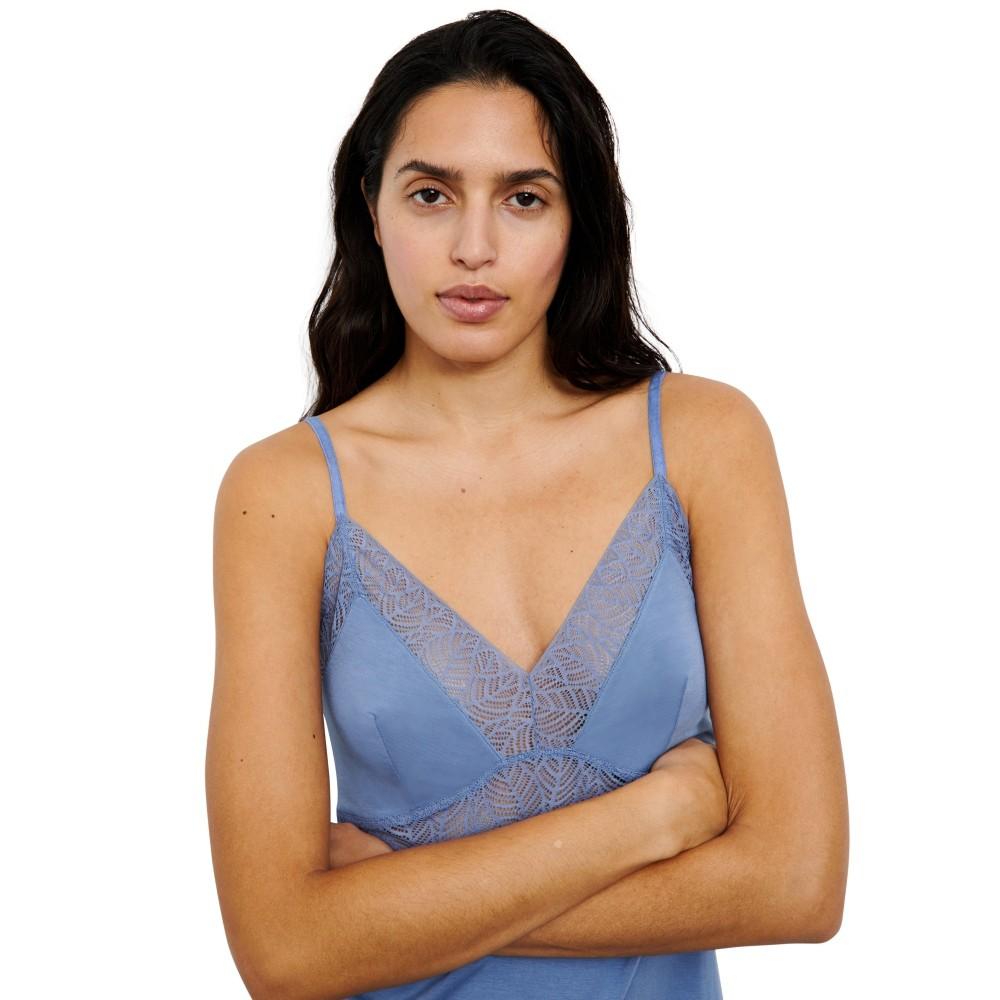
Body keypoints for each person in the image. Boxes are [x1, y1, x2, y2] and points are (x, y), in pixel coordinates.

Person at [206, 10, 848, 999]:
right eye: (431, 194)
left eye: (523, 198)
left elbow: (799, 882)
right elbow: (284, 952)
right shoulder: (284, 494)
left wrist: (383, 911)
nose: (474, 247)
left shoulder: (705, 443)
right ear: (370, 210)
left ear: (578, 217)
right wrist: (654, 817)